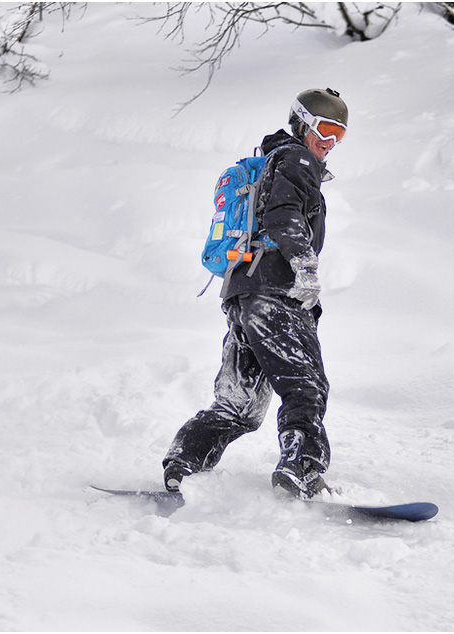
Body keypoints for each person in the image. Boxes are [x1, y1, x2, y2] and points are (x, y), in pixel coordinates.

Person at [162, 88, 349, 499]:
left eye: (339, 134)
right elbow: (283, 215)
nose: (330, 142)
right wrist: (304, 265)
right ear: (302, 123)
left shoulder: (273, 161)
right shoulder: (297, 160)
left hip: (244, 293)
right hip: (276, 292)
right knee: (305, 385)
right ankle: (302, 469)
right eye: (325, 129)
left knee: (239, 404)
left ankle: (184, 462)